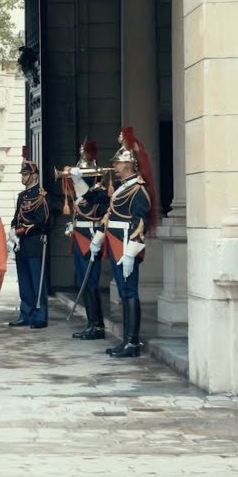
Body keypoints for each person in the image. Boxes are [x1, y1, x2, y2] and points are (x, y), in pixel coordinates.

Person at [73, 127, 156, 358]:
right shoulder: (121, 188)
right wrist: (78, 181)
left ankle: (132, 342)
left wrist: (131, 253)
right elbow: (102, 207)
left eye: (118, 163)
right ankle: (127, 340)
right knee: (123, 292)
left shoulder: (138, 190)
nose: (115, 166)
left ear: (130, 164)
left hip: (127, 247)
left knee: (129, 293)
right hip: (116, 245)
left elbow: (141, 224)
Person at [61, 140, 106, 340]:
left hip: (91, 239)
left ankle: (97, 325)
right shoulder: (82, 193)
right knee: (83, 282)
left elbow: (100, 214)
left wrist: (79, 182)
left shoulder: (100, 193)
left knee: (91, 283)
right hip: (80, 237)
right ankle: (91, 323)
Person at [8, 146, 50, 329]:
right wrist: (12, 230)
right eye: (22, 174)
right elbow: (17, 217)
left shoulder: (41, 196)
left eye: (25, 174)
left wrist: (20, 231)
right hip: (21, 245)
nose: (22, 177)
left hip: (34, 243)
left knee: (36, 281)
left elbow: (42, 221)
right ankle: (26, 313)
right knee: (24, 281)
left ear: (34, 175)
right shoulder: (22, 196)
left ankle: (40, 315)